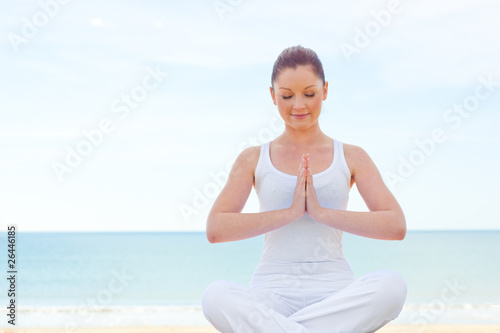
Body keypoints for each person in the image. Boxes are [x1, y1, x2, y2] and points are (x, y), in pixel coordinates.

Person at [201, 45, 407, 333]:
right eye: (287, 95)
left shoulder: (351, 155)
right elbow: (217, 228)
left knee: (392, 286)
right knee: (215, 296)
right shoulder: (253, 158)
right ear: (273, 96)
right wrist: (290, 212)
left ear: (324, 91)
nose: (298, 105)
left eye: (309, 93)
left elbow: (395, 225)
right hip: (270, 295)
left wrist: (320, 212)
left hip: (336, 295)